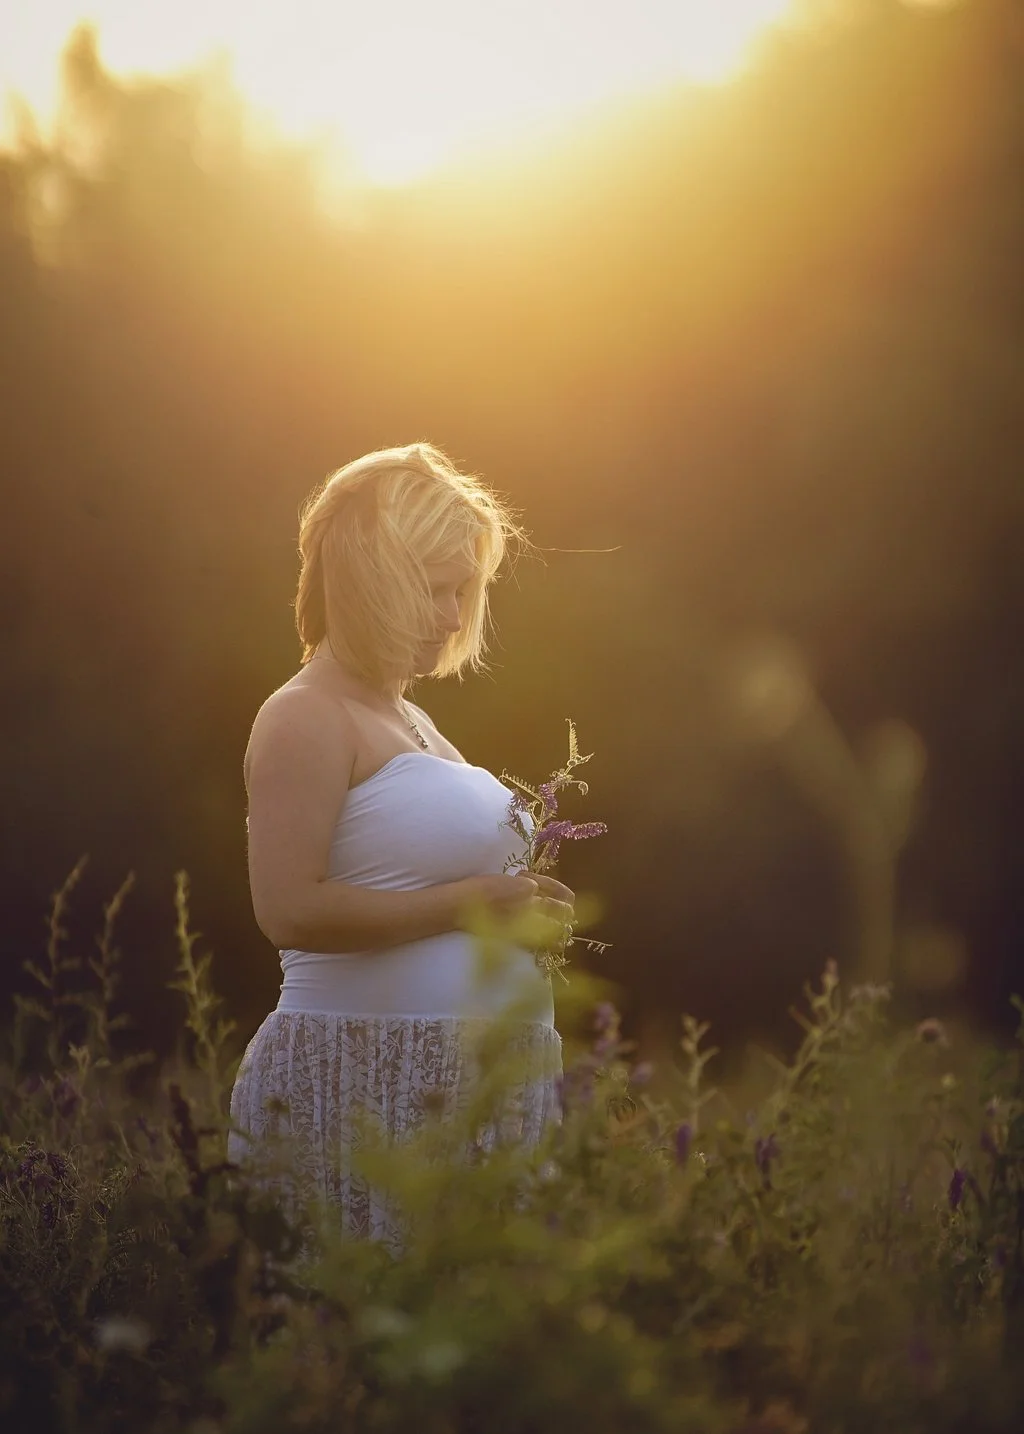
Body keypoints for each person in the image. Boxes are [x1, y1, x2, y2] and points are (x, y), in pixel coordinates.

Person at [228, 442, 574, 1248]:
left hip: (464, 1087)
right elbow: (288, 909)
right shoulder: (304, 715)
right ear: (367, 578)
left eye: (465, 590)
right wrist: (473, 903)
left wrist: (524, 911)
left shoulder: (410, 720)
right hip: (355, 1083)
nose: (456, 617)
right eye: (434, 588)